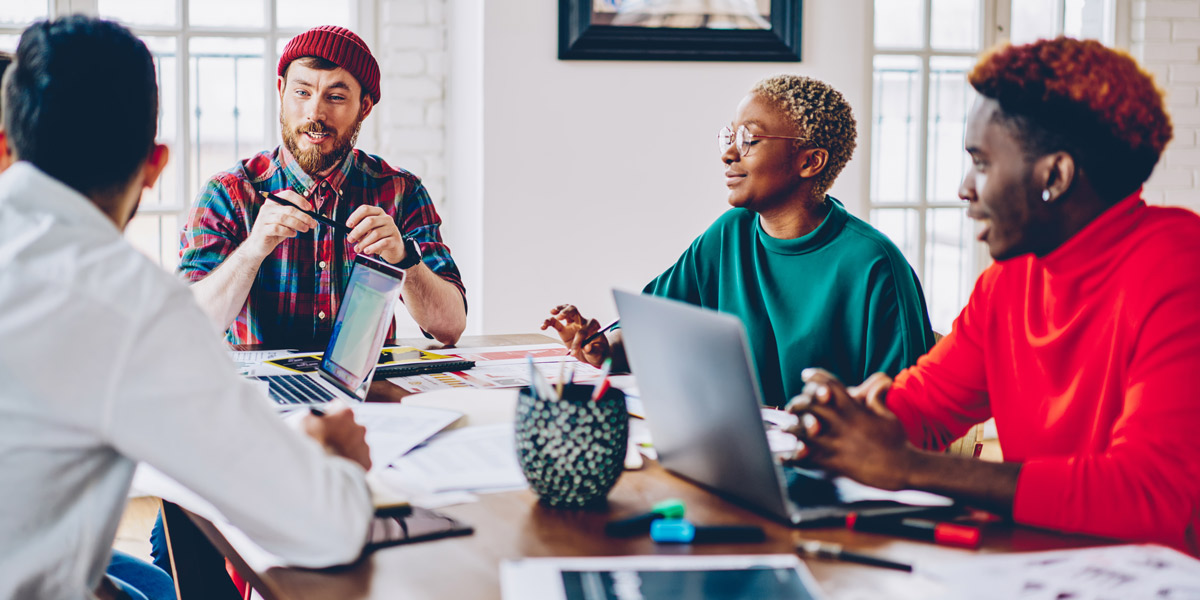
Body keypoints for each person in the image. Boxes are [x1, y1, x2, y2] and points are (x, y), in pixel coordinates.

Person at [0, 16, 374, 600]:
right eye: (303, 91)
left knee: (145, 580)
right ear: (156, 166)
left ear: (7, 144)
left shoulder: (395, 189)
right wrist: (338, 462)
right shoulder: (130, 302)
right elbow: (329, 528)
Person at [784, 37, 1200, 555]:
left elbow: (1148, 496)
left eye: (980, 163)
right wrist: (852, 420)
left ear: (1055, 176)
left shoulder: (1180, 269)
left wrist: (910, 467)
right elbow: (926, 407)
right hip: (1048, 563)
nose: (964, 188)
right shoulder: (1009, 282)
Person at [543, 75, 935, 407]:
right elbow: (653, 326)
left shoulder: (873, 265)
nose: (729, 154)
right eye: (730, 136)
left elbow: (905, 418)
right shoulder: (730, 234)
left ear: (809, 162)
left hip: (837, 474)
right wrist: (603, 347)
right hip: (743, 457)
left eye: (750, 139)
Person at [180, 25, 466, 348]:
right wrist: (251, 251)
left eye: (336, 97)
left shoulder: (401, 192)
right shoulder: (228, 193)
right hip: (259, 397)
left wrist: (403, 260)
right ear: (281, 91)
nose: (315, 113)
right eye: (302, 93)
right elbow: (186, 327)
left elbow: (452, 326)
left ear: (364, 107)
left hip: (367, 398)